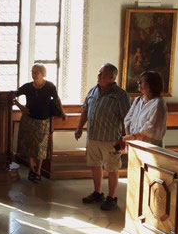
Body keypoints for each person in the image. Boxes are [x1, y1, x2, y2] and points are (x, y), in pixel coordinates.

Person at [74, 63, 130, 211]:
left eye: (102, 74)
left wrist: (124, 138)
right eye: (99, 73)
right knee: (95, 165)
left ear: (112, 77)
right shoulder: (93, 91)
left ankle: (111, 197)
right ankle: (98, 193)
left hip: (111, 138)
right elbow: (85, 110)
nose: (98, 76)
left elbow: (126, 117)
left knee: (112, 168)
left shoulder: (120, 94)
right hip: (93, 136)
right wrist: (79, 128)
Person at [13, 64, 66, 183]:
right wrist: (20, 107)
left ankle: (38, 171)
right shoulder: (27, 86)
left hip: (43, 121)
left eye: (37, 72)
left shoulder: (49, 86)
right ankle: (32, 169)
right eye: (33, 72)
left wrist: (62, 113)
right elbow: (12, 96)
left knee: (40, 147)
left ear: (43, 73)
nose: (34, 74)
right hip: (29, 120)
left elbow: (57, 99)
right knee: (29, 146)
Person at [123, 71, 167, 146]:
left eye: (141, 82)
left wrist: (133, 137)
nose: (138, 83)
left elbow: (150, 127)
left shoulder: (158, 103)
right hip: (133, 142)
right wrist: (129, 137)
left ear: (151, 85)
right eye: (138, 81)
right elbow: (127, 119)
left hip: (149, 144)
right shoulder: (137, 100)